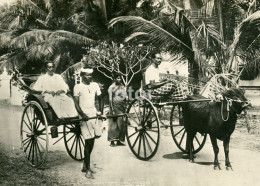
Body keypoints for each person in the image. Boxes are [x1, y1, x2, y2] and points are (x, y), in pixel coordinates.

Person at [73, 68, 103, 179]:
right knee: (88, 141)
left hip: (93, 113)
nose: (89, 77)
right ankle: (88, 169)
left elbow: (100, 98)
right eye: (87, 75)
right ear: (82, 76)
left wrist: (100, 111)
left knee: (92, 140)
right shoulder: (78, 87)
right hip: (84, 116)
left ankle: (85, 165)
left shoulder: (95, 85)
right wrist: (82, 115)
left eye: (90, 75)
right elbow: (76, 104)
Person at [107, 74, 126, 147]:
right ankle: (112, 141)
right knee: (113, 124)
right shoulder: (111, 87)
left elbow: (124, 95)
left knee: (120, 124)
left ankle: (118, 140)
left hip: (121, 106)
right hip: (114, 106)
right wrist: (112, 109)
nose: (119, 79)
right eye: (118, 78)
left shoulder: (122, 86)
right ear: (114, 79)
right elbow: (110, 99)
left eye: (120, 78)